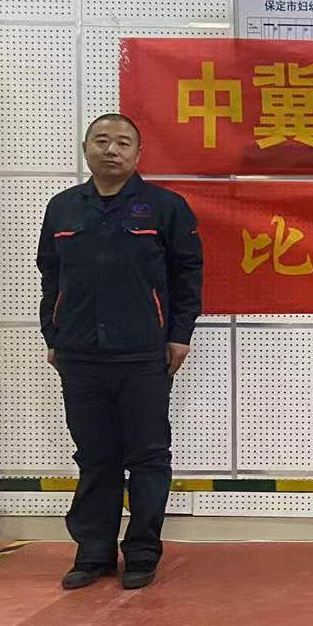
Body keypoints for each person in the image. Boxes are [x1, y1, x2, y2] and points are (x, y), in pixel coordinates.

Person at [37, 113, 203, 590]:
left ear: (138, 153)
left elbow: (187, 275)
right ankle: (93, 554)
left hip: (143, 354)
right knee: (94, 456)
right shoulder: (63, 208)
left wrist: (179, 334)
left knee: (148, 455)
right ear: (86, 148)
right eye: (102, 141)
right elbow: (51, 276)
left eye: (123, 142)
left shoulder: (165, 207)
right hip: (80, 353)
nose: (111, 150)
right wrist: (53, 335)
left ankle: (143, 552)